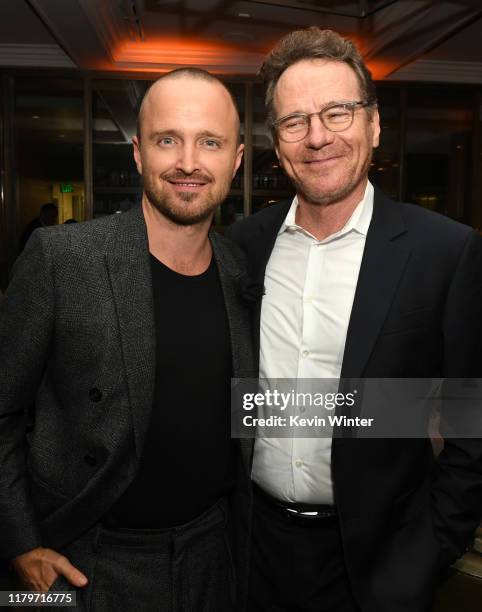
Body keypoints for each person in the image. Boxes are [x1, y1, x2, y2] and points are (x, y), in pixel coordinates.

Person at [227, 27, 482, 612]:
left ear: (373, 125)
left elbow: (472, 417)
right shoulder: (243, 247)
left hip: (380, 562)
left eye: (337, 112)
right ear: (278, 141)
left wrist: (433, 544)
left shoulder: (446, 251)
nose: (318, 136)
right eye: (296, 121)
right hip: (252, 549)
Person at [0, 68, 255, 611]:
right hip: (88, 560)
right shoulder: (62, 259)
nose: (188, 161)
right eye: (169, 140)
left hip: (214, 556)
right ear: (139, 154)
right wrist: (20, 543)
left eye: (209, 142)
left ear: (235, 160)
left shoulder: (239, 271)